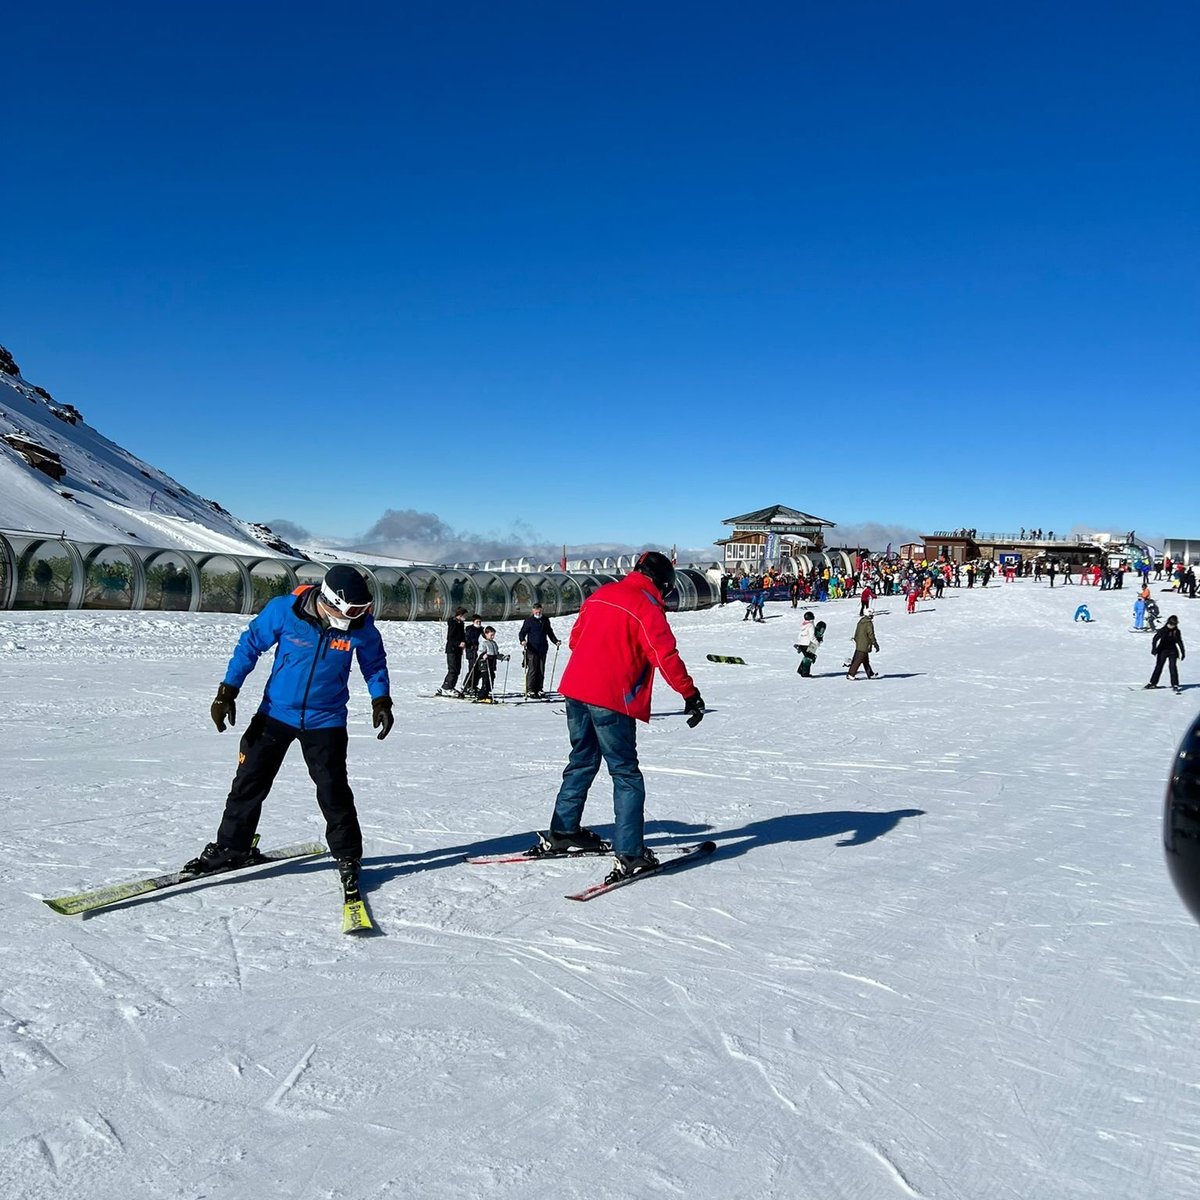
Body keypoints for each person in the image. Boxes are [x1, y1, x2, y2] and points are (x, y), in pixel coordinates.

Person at [187, 565, 392, 896]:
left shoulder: (362, 629)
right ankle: (232, 848)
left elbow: (374, 664)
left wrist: (381, 699)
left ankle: (348, 856)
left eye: (364, 609)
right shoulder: (284, 611)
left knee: (333, 790)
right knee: (249, 781)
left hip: (326, 720)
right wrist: (227, 691)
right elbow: (250, 645)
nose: (360, 616)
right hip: (275, 714)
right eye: (354, 610)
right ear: (330, 600)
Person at [537, 551, 704, 883]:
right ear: (661, 581)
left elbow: (575, 640)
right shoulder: (646, 605)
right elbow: (663, 654)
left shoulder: (601, 593)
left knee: (581, 761)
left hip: (575, 689)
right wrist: (689, 693)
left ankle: (562, 831)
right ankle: (630, 854)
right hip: (611, 697)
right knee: (626, 773)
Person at [518, 601, 561, 698]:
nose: (538, 613)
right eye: (536, 612)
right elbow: (522, 632)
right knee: (533, 669)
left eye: (539, 611)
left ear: (541, 610)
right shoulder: (529, 621)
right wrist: (522, 640)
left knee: (541, 669)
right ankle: (530, 689)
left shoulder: (545, 620)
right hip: (532, 649)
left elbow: (550, 632)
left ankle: (539, 688)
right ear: (533, 611)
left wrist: (555, 641)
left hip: (542, 648)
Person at [1146, 615, 1185, 691]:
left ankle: (1175, 684)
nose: (1172, 626)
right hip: (1162, 650)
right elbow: (1155, 639)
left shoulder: (1177, 631)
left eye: (1174, 624)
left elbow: (1179, 642)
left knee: (1173, 667)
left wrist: (1183, 652)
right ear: (1168, 622)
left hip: (1173, 651)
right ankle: (1153, 683)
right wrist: (1154, 648)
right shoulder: (1163, 630)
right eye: (1171, 624)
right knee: (1159, 666)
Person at [439, 605, 469, 697]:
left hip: (458, 650)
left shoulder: (461, 624)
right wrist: (458, 643)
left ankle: (451, 686)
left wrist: (464, 642)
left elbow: (462, 635)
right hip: (452, 649)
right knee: (452, 669)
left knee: (457, 669)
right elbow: (450, 637)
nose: (465, 617)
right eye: (464, 615)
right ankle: (446, 687)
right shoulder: (453, 623)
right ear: (459, 615)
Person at [473, 626, 508, 702]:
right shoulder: (483, 643)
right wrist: (483, 655)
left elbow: (496, 654)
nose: (493, 636)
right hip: (485, 664)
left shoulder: (493, 643)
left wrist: (503, 657)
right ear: (486, 634)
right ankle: (481, 696)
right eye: (491, 635)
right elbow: (479, 652)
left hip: (492, 664)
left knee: (491, 679)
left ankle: (486, 694)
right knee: (486, 680)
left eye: (493, 635)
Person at [847, 609, 880, 680]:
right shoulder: (868, 623)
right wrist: (875, 643)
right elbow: (871, 634)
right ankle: (851, 674)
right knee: (858, 660)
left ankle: (870, 674)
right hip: (864, 644)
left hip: (860, 643)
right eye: (871, 614)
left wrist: (856, 639)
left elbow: (857, 632)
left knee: (865, 660)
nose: (873, 616)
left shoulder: (861, 621)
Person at [463, 615, 484, 697]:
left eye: (479, 622)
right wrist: (471, 645)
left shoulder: (481, 629)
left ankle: (474, 685)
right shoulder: (469, 629)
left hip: (477, 651)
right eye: (477, 622)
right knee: (472, 669)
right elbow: (467, 639)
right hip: (471, 651)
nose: (478, 623)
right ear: (473, 622)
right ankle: (467, 686)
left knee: (478, 670)